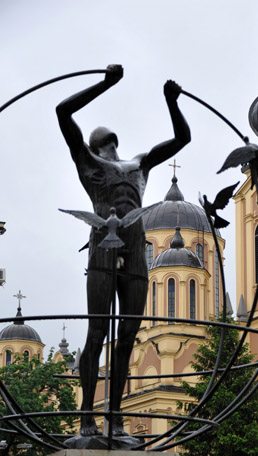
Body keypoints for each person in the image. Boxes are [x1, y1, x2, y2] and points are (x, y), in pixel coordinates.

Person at [56, 65, 191, 436]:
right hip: (103, 246)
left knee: (128, 335)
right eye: (107, 140)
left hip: (134, 249)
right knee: (98, 331)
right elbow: (63, 112)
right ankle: (87, 416)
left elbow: (182, 138)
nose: (111, 143)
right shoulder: (90, 164)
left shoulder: (139, 165)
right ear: (100, 144)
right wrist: (105, 84)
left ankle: (115, 419)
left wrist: (171, 101)